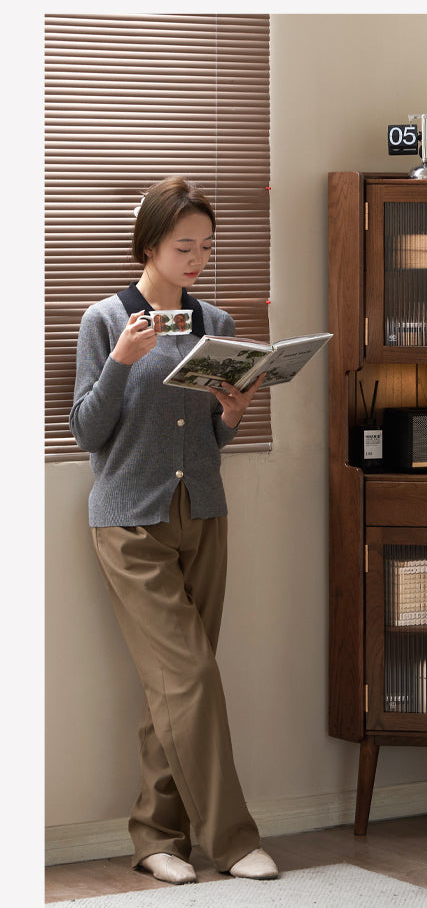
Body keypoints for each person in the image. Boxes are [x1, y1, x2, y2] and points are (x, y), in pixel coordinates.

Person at [69, 177, 276, 886]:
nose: (197, 260)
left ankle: (157, 837)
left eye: (207, 247)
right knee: (189, 676)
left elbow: (206, 436)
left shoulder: (214, 320)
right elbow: (86, 432)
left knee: (175, 686)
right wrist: (121, 363)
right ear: (150, 246)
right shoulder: (105, 320)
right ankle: (233, 839)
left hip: (203, 514)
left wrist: (233, 415)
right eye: (185, 247)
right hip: (130, 521)